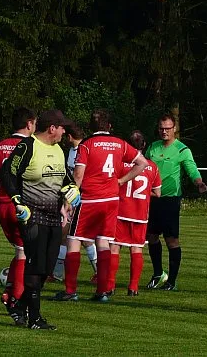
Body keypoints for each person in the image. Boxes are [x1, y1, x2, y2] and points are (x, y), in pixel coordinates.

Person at [53, 109, 148, 302]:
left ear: (90, 127)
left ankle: (70, 291)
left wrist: (68, 201)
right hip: (111, 201)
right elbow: (142, 163)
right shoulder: (120, 143)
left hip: (89, 199)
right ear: (110, 126)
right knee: (103, 242)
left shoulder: (86, 146)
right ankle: (103, 291)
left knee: (73, 240)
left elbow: (78, 176)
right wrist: (120, 181)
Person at [2, 109, 79, 330]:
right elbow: (8, 173)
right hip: (32, 215)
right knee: (35, 268)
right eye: (62, 127)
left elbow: (63, 176)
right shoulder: (27, 146)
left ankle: (17, 305)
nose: (65, 131)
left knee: (47, 268)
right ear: (52, 128)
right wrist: (18, 201)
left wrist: (70, 189)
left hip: (53, 216)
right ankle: (35, 318)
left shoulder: (58, 150)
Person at [0, 107, 36, 322]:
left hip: (3, 205)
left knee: (20, 250)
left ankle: (10, 292)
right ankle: (17, 303)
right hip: (22, 205)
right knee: (27, 254)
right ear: (29, 124)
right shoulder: (31, 146)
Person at [145, 113, 207, 291]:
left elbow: (191, 169)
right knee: (151, 236)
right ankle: (158, 273)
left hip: (170, 200)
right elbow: (143, 168)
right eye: (161, 128)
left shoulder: (182, 149)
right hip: (152, 199)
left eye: (167, 128)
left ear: (174, 129)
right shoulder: (152, 147)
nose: (164, 131)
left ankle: (172, 280)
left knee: (171, 239)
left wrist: (199, 183)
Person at [108, 130, 161, 297]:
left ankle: (110, 286)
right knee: (136, 250)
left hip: (120, 211)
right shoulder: (152, 166)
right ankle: (133, 287)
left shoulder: (121, 163)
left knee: (114, 248)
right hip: (140, 214)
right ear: (144, 145)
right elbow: (157, 193)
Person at [50, 122, 98, 283]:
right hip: (73, 198)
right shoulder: (72, 151)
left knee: (77, 237)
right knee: (72, 236)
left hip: (80, 199)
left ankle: (58, 274)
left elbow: (79, 177)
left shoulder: (85, 150)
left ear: (69, 136)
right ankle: (57, 273)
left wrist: (70, 200)